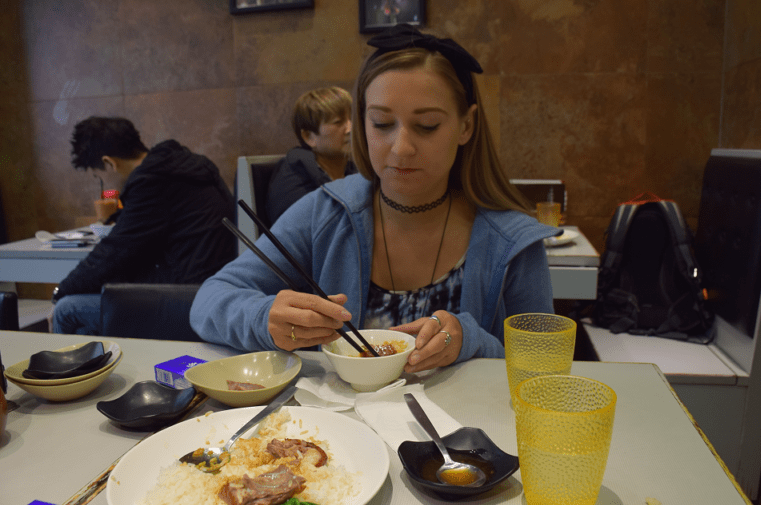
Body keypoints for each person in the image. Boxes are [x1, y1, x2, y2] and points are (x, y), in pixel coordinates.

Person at [190, 24, 560, 372]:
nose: (401, 148)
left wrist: (473, 342)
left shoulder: (512, 241)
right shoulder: (328, 212)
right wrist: (263, 316)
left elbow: (544, 367)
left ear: (466, 125)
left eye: (427, 125)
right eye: (382, 123)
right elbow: (210, 300)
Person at [51, 117, 236, 335]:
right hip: (217, 287)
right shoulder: (187, 165)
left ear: (110, 163)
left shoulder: (152, 181)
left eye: (98, 176)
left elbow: (114, 252)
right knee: (94, 306)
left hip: (188, 299)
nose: (102, 183)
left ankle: (66, 368)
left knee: (66, 309)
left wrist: (59, 292)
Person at [265, 86, 357, 225]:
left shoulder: (354, 172)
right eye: (338, 122)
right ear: (309, 137)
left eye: (352, 119)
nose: (351, 128)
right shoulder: (295, 186)